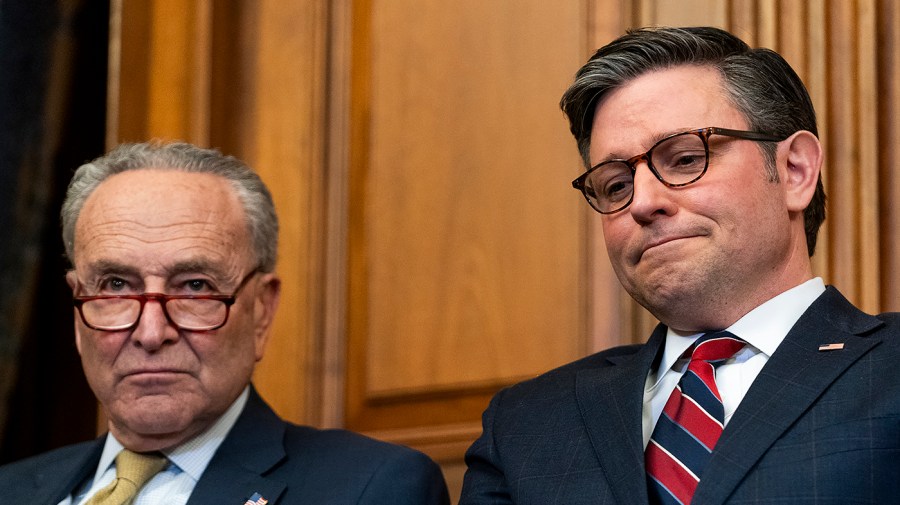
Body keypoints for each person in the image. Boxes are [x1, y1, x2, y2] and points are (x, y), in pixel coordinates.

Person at [461, 26, 900, 504]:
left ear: (794, 170)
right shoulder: (527, 424)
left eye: (686, 159)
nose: (643, 203)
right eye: (615, 186)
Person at [0, 142, 450, 504]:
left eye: (195, 286)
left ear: (261, 311)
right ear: (79, 310)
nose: (151, 332)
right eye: (116, 285)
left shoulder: (371, 487)